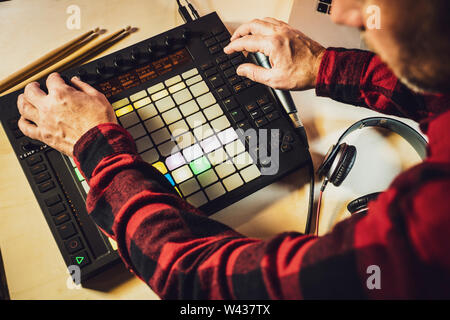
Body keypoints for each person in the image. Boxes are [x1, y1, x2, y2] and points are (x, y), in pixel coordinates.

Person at [16, 0, 449, 299]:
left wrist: (95, 148)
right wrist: (326, 66)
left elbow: (196, 282)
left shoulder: (431, 229)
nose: (342, 14)